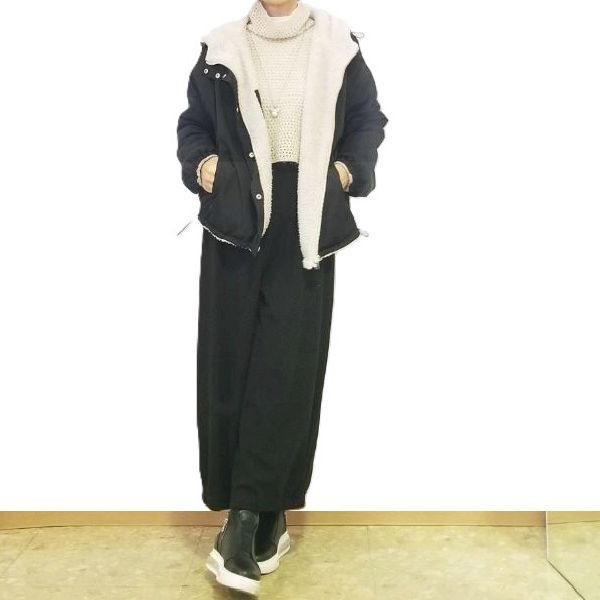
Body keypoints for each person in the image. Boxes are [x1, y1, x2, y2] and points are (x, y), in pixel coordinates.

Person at [176, 0, 388, 594]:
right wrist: (204, 165)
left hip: (308, 216)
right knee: (230, 366)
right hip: (237, 213)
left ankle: (245, 522)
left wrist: (346, 172)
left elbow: (367, 119)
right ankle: (263, 515)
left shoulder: (339, 43)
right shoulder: (221, 45)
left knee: (286, 369)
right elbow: (193, 124)